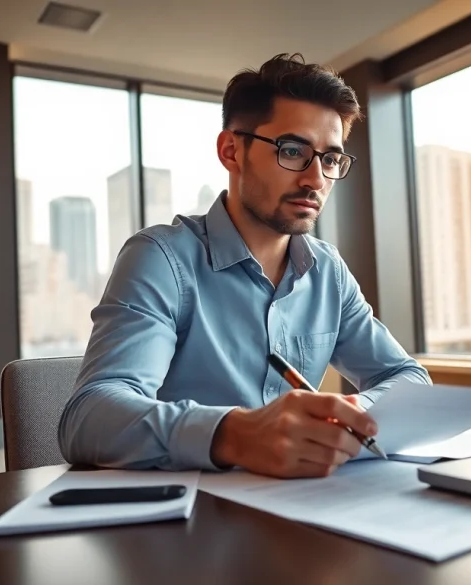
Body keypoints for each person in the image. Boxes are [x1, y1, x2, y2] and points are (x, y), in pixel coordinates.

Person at [57, 53, 431, 479]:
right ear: (231, 150)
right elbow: (88, 418)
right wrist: (235, 434)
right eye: (293, 150)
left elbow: (408, 377)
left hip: (307, 507)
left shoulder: (328, 271)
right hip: (187, 522)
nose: (315, 179)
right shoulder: (160, 257)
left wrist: (348, 411)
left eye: (330, 159)